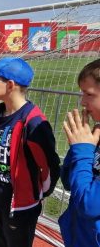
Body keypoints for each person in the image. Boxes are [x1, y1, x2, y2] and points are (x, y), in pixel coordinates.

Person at [0, 57, 60, 247]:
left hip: (21, 204)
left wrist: (36, 193)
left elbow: (50, 165)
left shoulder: (34, 123)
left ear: (10, 85)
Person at [59, 58, 100, 247]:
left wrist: (83, 151)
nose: (82, 101)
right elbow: (68, 182)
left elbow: (89, 206)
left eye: (88, 94)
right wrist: (77, 147)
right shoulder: (96, 134)